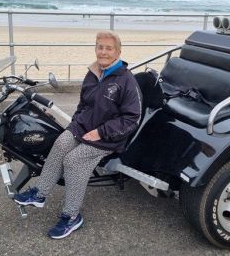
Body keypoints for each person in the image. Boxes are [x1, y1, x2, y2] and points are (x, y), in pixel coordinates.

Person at [14, 30, 142, 239]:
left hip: (109, 137)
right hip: (83, 127)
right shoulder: (92, 74)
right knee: (61, 142)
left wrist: (101, 132)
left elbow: (132, 119)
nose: (103, 51)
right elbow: (83, 105)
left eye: (108, 48)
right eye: (100, 47)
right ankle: (40, 193)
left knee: (74, 160)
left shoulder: (127, 81)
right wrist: (75, 125)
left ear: (118, 53)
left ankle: (72, 216)